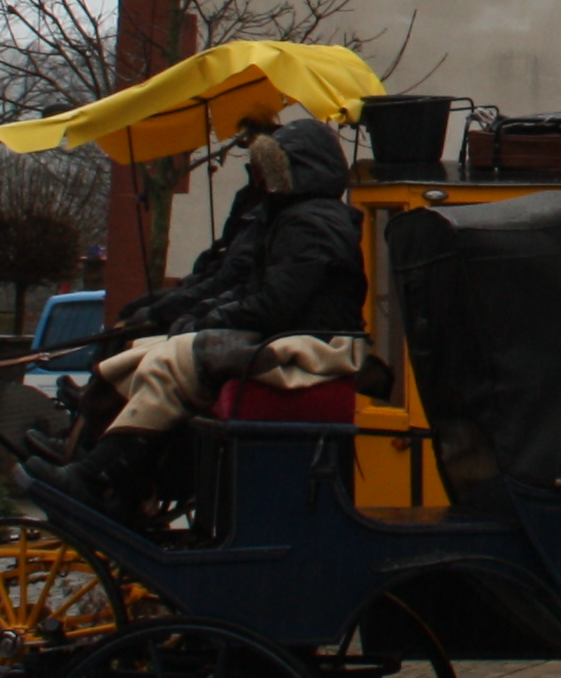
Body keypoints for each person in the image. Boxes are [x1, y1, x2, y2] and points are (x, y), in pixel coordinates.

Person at [50, 114, 376, 508]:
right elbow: (252, 290)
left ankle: (101, 477)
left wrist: (208, 320)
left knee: (170, 361)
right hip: (291, 339)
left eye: (276, 167)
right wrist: (205, 313)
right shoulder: (296, 217)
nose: (268, 179)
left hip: (317, 349)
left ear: (300, 169)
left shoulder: (313, 224)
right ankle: (109, 471)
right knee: (137, 355)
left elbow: (275, 304)